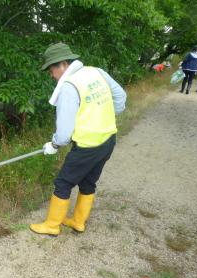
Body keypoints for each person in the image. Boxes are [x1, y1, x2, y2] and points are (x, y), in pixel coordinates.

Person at [30, 43, 126, 236]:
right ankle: (78, 221)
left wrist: (54, 144)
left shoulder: (69, 87)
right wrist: (104, 115)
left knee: (63, 182)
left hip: (87, 146)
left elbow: (64, 134)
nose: (51, 75)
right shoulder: (96, 72)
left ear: (63, 65)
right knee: (89, 181)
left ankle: (52, 225)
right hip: (108, 139)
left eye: (51, 69)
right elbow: (121, 96)